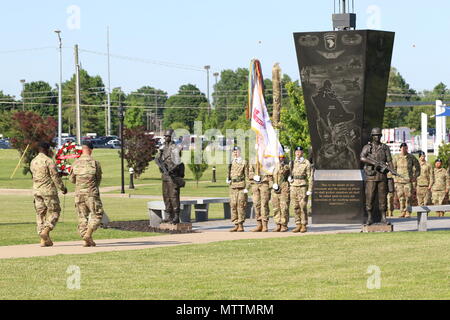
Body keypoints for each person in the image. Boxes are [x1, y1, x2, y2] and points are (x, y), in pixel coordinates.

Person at [30, 142, 67, 247]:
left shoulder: (33, 161)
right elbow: (55, 177)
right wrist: (63, 188)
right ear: (47, 149)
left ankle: (44, 240)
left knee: (40, 214)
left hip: (37, 191)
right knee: (55, 212)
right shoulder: (49, 161)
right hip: (48, 191)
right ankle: (45, 231)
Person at [69, 141, 105, 247]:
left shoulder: (75, 163)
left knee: (82, 217)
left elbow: (71, 179)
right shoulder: (95, 163)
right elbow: (98, 179)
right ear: (91, 149)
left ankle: (86, 240)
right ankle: (88, 234)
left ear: (82, 149)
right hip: (91, 193)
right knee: (97, 214)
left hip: (79, 193)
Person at [360, 128, 393, 225]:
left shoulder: (385, 147)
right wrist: (374, 164)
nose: (377, 137)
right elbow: (362, 157)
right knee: (370, 197)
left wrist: (392, 169)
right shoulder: (367, 147)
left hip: (382, 176)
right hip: (371, 176)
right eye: (375, 135)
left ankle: (383, 217)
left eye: (379, 135)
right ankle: (369, 218)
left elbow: (389, 160)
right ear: (372, 136)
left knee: (383, 197)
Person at [157, 129, 185, 224]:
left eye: (167, 136)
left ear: (171, 137)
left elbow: (177, 163)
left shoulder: (175, 148)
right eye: (165, 136)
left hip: (173, 176)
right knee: (166, 196)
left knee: (173, 196)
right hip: (165, 175)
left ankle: (176, 216)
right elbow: (159, 160)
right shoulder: (163, 148)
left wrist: (171, 170)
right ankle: (169, 215)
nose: (165, 138)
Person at [392, 143, 420, 218]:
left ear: (407, 148)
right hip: (399, 181)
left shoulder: (411, 157)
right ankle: (402, 212)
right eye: (403, 148)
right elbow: (393, 169)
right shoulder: (396, 157)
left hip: (408, 181)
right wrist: (394, 178)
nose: (404, 149)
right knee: (401, 197)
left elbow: (418, 167)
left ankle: (408, 211)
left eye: (406, 148)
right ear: (400, 149)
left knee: (408, 196)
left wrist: (415, 176)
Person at [289, 146, 312, 233]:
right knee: (295, 206)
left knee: (303, 206)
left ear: (302, 152)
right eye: (296, 151)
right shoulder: (292, 162)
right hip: (293, 186)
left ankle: (303, 225)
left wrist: (310, 188)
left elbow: (310, 176)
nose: (298, 153)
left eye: (299, 151)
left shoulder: (306, 163)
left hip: (302, 186)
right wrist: (289, 179)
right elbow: (289, 173)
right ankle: (297, 224)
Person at [227, 146, 249, 232]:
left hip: (241, 186)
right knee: (233, 205)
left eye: (237, 152)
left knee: (241, 205)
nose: (235, 153)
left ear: (240, 152)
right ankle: (235, 223)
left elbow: (247, 175)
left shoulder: (244, 162)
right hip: (233, 186)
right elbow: (229, 172)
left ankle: (241, 224)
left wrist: (247, 187)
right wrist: (228, 178)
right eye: (234, 152)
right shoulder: (231, 162)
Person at [249, 161, 271, 232]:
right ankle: (259, 224)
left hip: (264, 183)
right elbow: (250, 171)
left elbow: (271, 171)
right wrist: (254, 176)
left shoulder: (268, 159)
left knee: (264, 204)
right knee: (256, 204)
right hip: (255, 185)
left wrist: (263, 177)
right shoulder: (254, 159)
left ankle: (265, 225)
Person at [271, 153, 290, 232]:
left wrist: (281, 165)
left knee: (284, 207)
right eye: (279, 157)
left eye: (282, 157)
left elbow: (285, 172)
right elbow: (269, 176)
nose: (280, 158)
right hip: (275, 189)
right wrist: (272, 185)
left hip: (284, 188)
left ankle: (284, 225)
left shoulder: (286, 165)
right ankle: (278, 224)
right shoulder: (272, 166)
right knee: (276, 207)